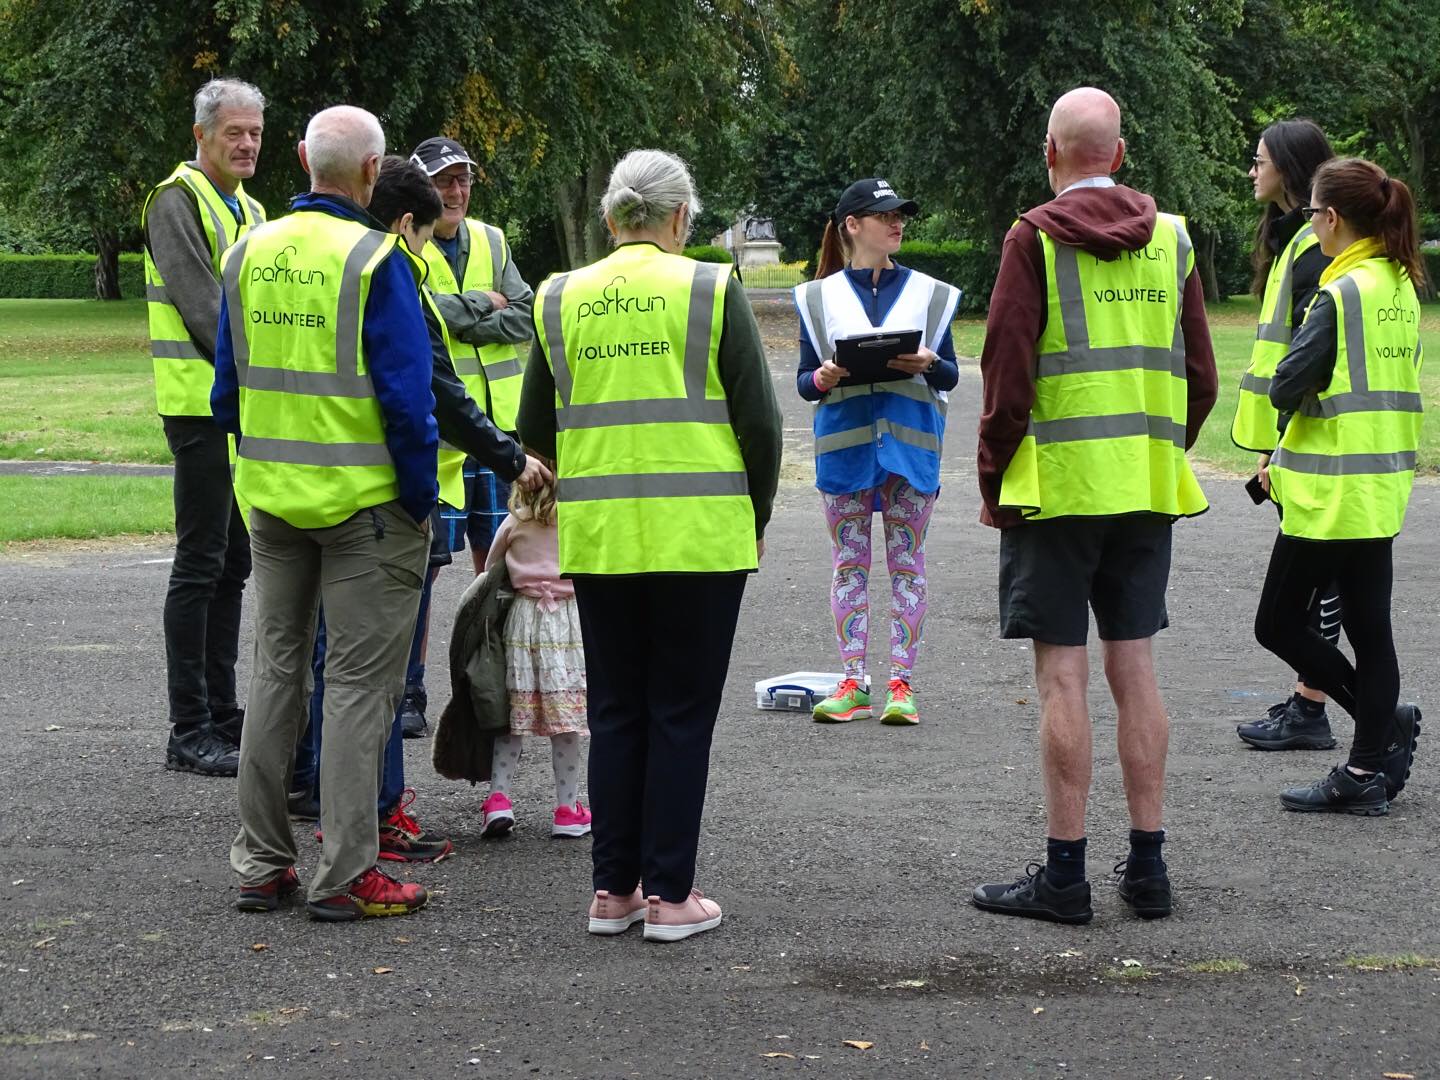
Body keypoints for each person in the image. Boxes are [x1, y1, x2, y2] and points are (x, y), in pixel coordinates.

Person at [517, 149, 782, 942]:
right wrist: (755, 512)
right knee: (681, 713)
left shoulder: (559, 296)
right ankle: (671, 895)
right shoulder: (707, 286)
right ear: (680, 219)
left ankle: (613, 891)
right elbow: (760, 423)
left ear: (609, 220)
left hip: (601, 535)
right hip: (698, 536)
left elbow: (535, 432)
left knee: (618, 710)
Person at [971, 87, 1217, 925]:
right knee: (1135, 668)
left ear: (1051, 152)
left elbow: (1005, 380)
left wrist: (994, 479)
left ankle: (1065, 875)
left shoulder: (1031, 239)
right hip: (1145, 488)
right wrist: (1157, 447)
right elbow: (1202, 374)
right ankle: (1148, 869)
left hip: (1058, 492)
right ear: (1119, 152)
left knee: (1061, 676)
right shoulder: (1174, 239)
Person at [289, 156, 552, 862]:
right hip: (387, 499)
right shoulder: (390, 271)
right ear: (406, 222)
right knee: (376, 672)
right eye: (426, 237)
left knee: (321, 659)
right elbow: (431, 392)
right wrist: (503, 458)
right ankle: (372, 814)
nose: (430, 253)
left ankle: (318, 800)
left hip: (296, 489)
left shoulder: (300, 259)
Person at [215, 106, 438, 921]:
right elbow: (410, 406)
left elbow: (225, 393)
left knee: (275, 674)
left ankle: (261, 861)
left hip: (273, 502)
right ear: (374, 173)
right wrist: (421, 501)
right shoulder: (377, 258)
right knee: (355, 687)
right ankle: (344, 872)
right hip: (366, 507)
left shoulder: (249, 250)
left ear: (304, 157)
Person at [1254, 157, 1425, 816]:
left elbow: (1288, 382)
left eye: (1313, 217)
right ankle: (1364, 767)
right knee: (1369, 628)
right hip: (1380, 485)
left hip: (1329, 497)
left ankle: (1377, 735)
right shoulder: (1399, 285)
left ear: (1330, 219)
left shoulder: (1341, 292)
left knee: (1277, 623)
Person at [795, 178, 961, 726]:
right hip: (845, 454)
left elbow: (952, 375)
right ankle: (851, 683)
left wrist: (930, 364)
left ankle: (900, 686)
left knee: (907, 567)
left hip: (910, 454)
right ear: (852, 225)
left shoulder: (931, 293)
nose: (898, 223)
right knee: (849, 567)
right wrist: (821, 376)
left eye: (900, 215)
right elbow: (802, 381)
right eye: (885, 214)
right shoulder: (815, 297)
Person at [142, 78, 266, 777]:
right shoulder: (176, 200)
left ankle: (221, 714)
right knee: (200, 562)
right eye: (233, 133)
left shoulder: (248, 205)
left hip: (235, 406)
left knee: (232, 561)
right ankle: (189, 727)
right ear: (202, 135)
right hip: (199, 404)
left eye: (254, 132)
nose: (246, 143)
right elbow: (203, 305)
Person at [399, 136, 538, 738]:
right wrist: (482, 305)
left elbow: (527, 312)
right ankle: (409, 694)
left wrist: (461, 311)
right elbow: (422, 311)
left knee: (506, 564)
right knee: (423, 570)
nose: (455, 192)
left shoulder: (492, 239)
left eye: (463, 180)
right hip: (444, 435)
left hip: (499, 430)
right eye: (444, 181)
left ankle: (500, 688)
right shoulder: (406, 242)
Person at [1231, 120, 1342, 752]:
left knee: (1317, 588)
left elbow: (1308, 354)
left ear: (1290, 170)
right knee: (1326, 585)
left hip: (1307, 437)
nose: (1253, 170)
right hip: (1300, 435)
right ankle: (1309, 699)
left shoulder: (1309, 245)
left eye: (1259, 160)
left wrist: (1281, 445)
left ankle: (1314, 706)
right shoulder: (1298, 236)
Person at [479, 465, 591, 840]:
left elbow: (490, 569)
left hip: (523, 620)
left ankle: (498, 798)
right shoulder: (577, 521)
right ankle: (567, 808)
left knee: (515, 715)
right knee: (567, 722)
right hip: (567, 623)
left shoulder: (514, 523)